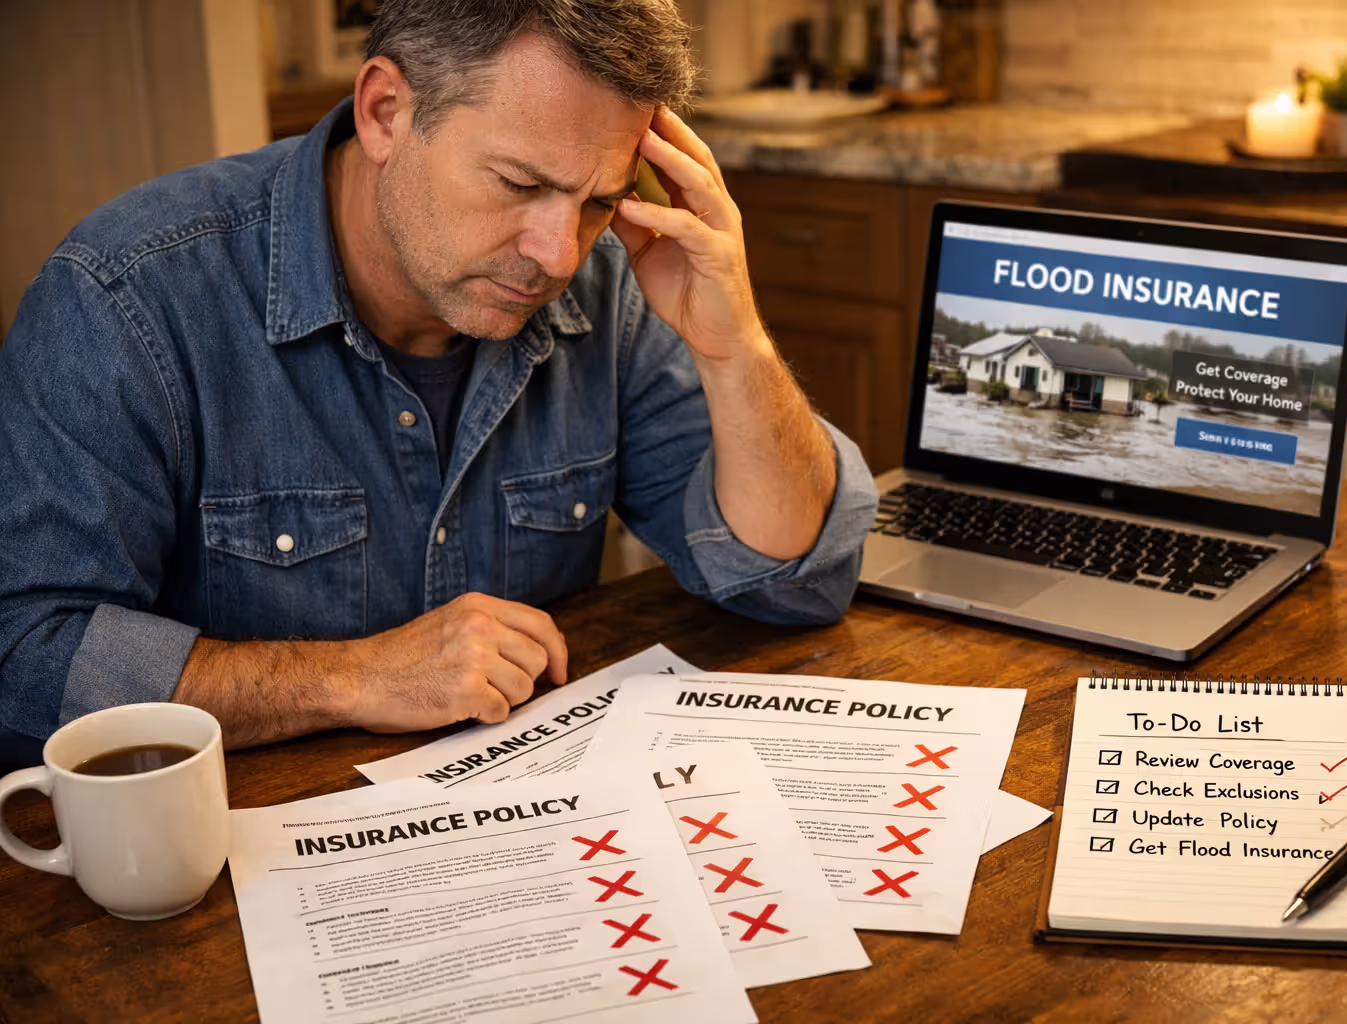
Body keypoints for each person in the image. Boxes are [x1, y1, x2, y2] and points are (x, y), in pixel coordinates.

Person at [0, 0, 876, 761]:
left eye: (599, 200)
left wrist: (737, 347)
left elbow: (794, 579)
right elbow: (24, 655)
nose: (557, 254)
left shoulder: (609, 285)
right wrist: (350, 679)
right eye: (519, 182)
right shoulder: (129, 297)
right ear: (385, 112)